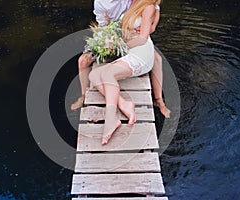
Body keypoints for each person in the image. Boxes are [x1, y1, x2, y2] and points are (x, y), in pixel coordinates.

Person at [71, 0, 170, 118]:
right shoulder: (100, 3)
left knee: (157, 59)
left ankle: (159, 100)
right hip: (111, 36)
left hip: (132, 36)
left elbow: (154, 6)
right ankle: (83, 96)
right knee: (82, 61)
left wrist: (151, 27)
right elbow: (102, 26)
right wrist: (107, 42)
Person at [89, 0, 164, 144]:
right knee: (93, 75)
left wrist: (120, 46)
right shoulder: (131, 4)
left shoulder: (148, 7)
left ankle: (111, 119)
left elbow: (143, 38)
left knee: (106, 74)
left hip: (142, 54)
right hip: (131, 52)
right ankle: (123, 104)